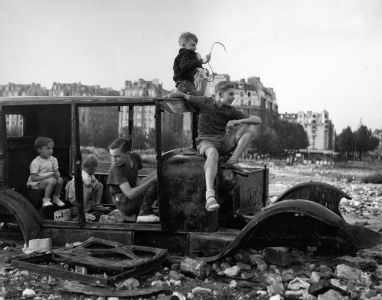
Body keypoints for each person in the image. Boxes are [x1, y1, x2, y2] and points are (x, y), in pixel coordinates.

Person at [166, 81, 262, 212]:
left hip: (223, 141)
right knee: (213, 154)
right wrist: (172, 95)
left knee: (250, 126)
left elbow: (258, 120)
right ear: (220, 94)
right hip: (206, 141)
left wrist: (239, 121)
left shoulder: (230, 110)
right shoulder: (205, 102)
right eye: (231, 94)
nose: (234, 97)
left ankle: (233, 160)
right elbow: (184, 95)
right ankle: (210, 196)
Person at [107, 138, 159, 223]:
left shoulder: (134, 156)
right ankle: (144, 213)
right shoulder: (115, 168)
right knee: (155, 178)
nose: (113, 160)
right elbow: (130, 194)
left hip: (132, 197)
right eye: (111, 156)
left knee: (159, 173)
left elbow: (144, 159)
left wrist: (162, 161)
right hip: (124, 203)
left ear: (128, 154)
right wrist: (153, 180)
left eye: (117, 156)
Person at [27, 137, 65, 207]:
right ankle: (46, 200)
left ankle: (56, 198)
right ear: (39, 150)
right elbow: (33, 178)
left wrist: (57, 174)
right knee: (52, 181)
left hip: (49, 179)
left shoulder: (53, 160)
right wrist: (47, 176)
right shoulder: (36, 162)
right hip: (37, 183)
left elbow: (57, 171)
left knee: (60, 180)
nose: (50, 151)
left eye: (52, 148)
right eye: (47, 148)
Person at [173, 32, 211, 96]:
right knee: (196, 98)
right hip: (185, 83)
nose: (195, 48)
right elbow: (185, 64)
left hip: (186, 83)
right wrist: (201, 61)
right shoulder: (185, 53)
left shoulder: (185, 54)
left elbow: (187, 68)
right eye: (193, 45)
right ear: (183, 45)